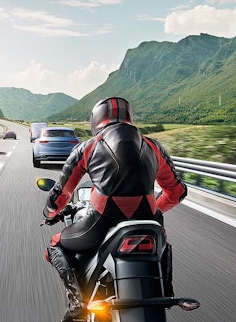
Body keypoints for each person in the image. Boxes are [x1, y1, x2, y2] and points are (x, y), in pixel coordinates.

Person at [42, 97, 187, 321]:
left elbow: (61, 194)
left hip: (101, 222)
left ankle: (77, 302)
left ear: (96, 120)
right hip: (148, 222)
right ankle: (165, 291)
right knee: (162, 241)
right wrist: (151, 212)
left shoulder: (89, 147)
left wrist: (50, 213)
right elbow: (177, 192)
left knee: (55, 244)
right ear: (130, 117)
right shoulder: (153, 147)